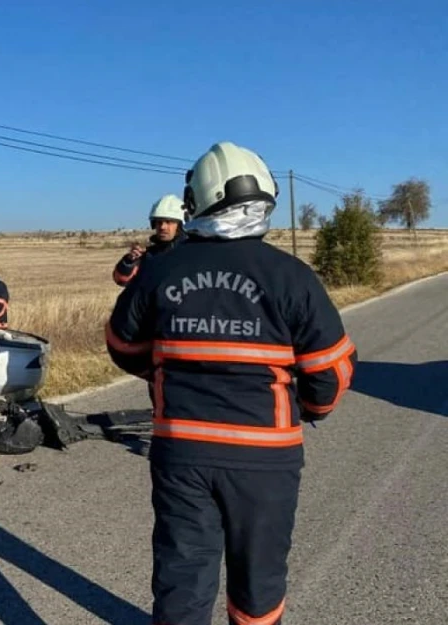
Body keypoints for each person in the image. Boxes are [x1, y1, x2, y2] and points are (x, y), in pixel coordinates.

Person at [104, 141, 357, 625]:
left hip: (181, 451)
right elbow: (332, 372)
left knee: (183, 580)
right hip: (266, 458)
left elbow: (122, 345)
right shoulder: (292, 276)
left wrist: (165, 374)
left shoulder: (160, 271)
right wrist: (311, 408)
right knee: (258, 585)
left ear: (195, 201)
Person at [112, 194, 188, 287]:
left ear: (180, 225)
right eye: (159, 222)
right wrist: (129, 262)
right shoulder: (149, 257)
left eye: (168, 222)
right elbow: (121, 280)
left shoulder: (192, 253)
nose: (162, 227)